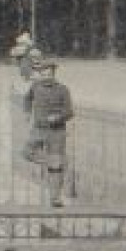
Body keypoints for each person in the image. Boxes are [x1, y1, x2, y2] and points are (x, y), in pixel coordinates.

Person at [23, 60, 74, 207]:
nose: (46, 76)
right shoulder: (35, 86)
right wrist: (27, 112)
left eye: (49, 74)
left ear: (53, 74)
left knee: (55, 168)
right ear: (40, 74)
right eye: (43, 73)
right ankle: (53, 161)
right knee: (27, 152)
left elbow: (70, 112)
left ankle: (55, 198)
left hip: (57, 131)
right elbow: (27, 98)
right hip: (38, 129)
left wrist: (57, 117)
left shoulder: (63, 89)